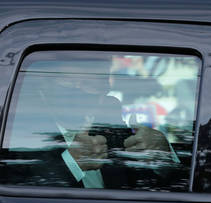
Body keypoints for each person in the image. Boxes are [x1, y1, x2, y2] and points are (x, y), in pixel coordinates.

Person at [2, 54, 178, 189]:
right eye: (71, 82)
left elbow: (153, 186)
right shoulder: (16, 127)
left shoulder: (109, 123)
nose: (86, 92)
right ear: (42, 83)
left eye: (97, 83)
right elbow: (14, 192)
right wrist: (71, 164)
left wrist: (162, 154)